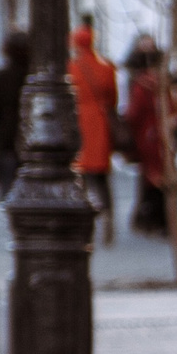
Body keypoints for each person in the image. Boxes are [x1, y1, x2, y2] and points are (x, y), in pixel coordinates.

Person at [69, 19, 118, 245]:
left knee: (82, 174)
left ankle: (84, 221)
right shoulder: (106, 67)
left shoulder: (72, 68)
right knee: (101, 175)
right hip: (100, 123)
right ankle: (108, 216)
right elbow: (112, 100)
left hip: (80, 122)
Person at [122, 36, 167, 237]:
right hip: (157, 134)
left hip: (148, 134)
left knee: (152, 176)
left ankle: (150, 218)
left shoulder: (142, 84)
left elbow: (134, 113)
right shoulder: (159, 83)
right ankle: (152, 218)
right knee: (155, 175)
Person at [0, 30, 30, 199]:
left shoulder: (2, 75)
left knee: (8, 185)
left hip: (6, 140)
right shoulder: (33, 75)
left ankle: (12, 216)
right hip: (30, 138)